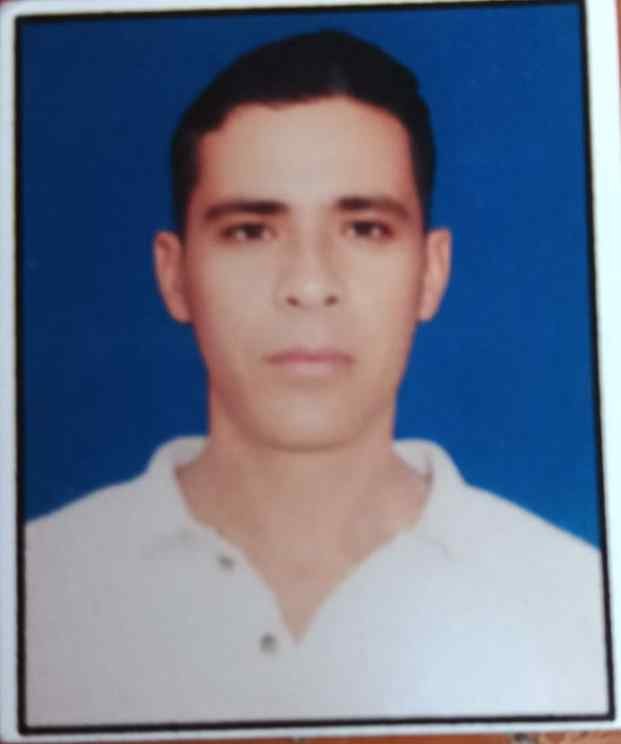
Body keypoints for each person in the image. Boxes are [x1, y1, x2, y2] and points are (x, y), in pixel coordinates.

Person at [26, 30, 607, 727]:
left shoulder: (579, 604)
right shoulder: (39, 587)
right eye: (250, 231)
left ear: (431, 271)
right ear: (174, 275)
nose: (308, 284)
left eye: (364, 228)